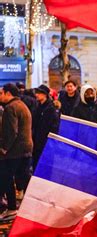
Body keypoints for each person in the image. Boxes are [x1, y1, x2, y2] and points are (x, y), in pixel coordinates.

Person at [0, 83, 33, 220]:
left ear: (8, 94)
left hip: (14, 151)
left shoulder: (10, 108)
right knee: (23, 179)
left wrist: (3, 149)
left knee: (5, 179)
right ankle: (30, 209)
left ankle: (12, 208)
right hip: (26, 149)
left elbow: (11, 132)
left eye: (1, 93)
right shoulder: (22, 105)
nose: (0, 96)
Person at [32, 85, 60, 170]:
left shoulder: (50, 108)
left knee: (46, 165)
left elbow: (54, 127)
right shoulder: (38, 106)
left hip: (46, 142)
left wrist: (50, 140)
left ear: (45, 95)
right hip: (37, 140)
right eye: (36, 93)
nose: (36, 95)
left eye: (39, 93)